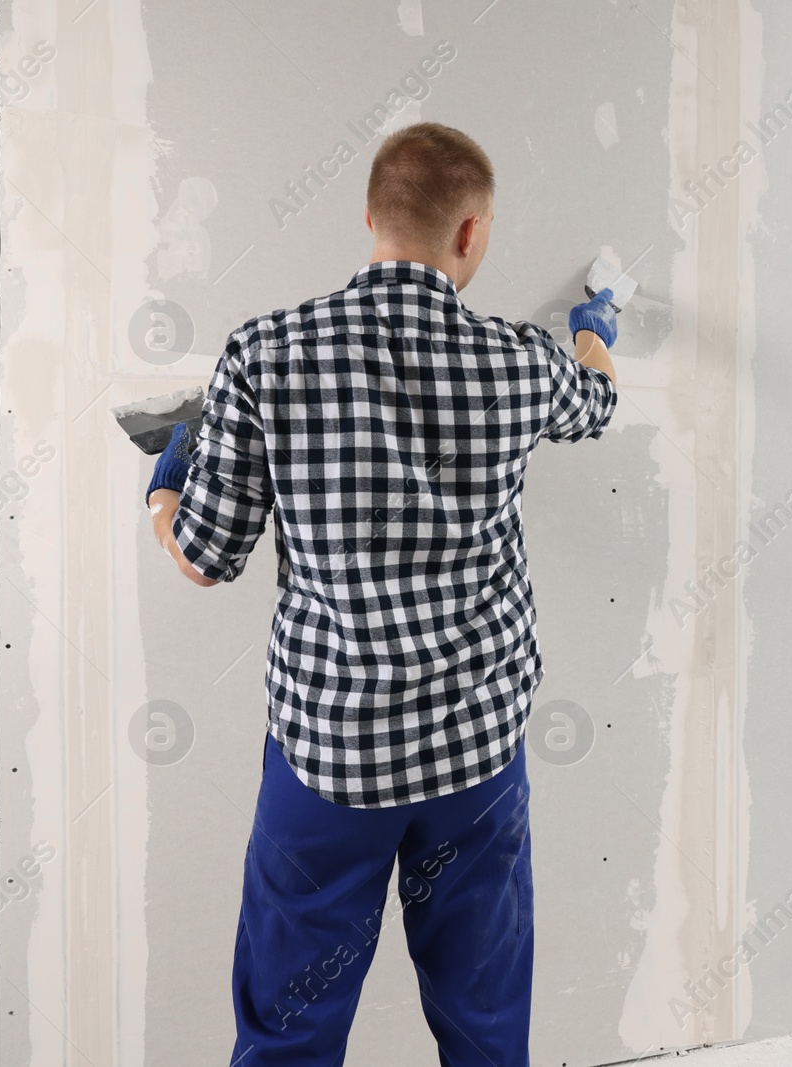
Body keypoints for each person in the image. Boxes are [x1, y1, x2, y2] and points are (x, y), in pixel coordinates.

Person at [142, 121, 619, 1065]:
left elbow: (202, 557)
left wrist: (165, 484)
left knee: (289, 1023)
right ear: (472, 233)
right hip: (474, 753)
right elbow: (597, 402)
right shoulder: (518, 363)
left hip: (331, 756)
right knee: (483, 1019)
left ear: (368, 215)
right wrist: (594, 331)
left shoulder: (266, 355)